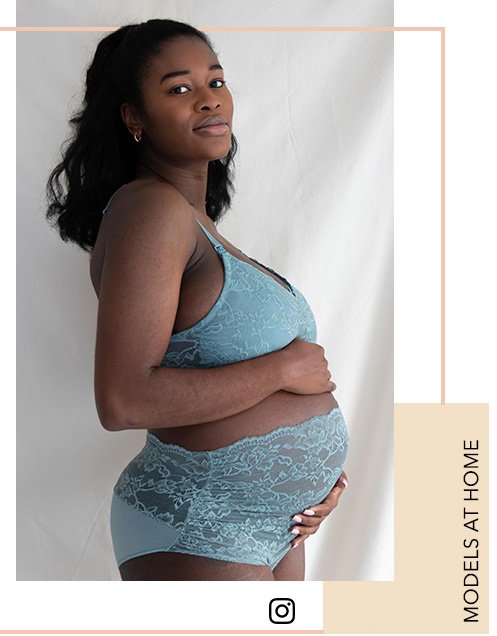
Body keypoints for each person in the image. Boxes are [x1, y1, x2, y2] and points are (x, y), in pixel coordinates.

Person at [46, 19, 349, 581]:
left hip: (278, 526)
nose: (208, 100)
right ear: (134, 117)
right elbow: (124, 400)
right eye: (180, 88)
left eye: (216, 81)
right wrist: (283, 367)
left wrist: (315, 479)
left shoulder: (194, 222)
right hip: (201, 524)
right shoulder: (150, 211)